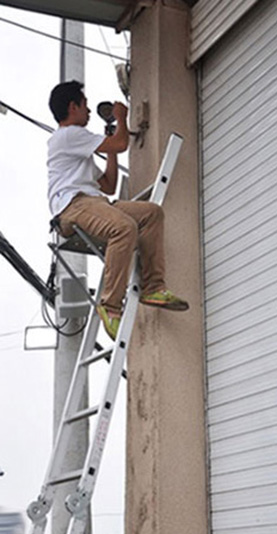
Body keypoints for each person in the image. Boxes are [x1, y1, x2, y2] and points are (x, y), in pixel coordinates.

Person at [47, 81, 189, 340]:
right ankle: (110, 306)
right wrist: (121, 118)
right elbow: (122, 143)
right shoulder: (68, 135)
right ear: (72, 107)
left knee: (151, 213)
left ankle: (153, 287)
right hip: (73, 206)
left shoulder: (77, 149)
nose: (89, 111)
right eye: (85, 105)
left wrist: (110, 145)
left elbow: (109, 185)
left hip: (94, 203)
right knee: (124, 228)